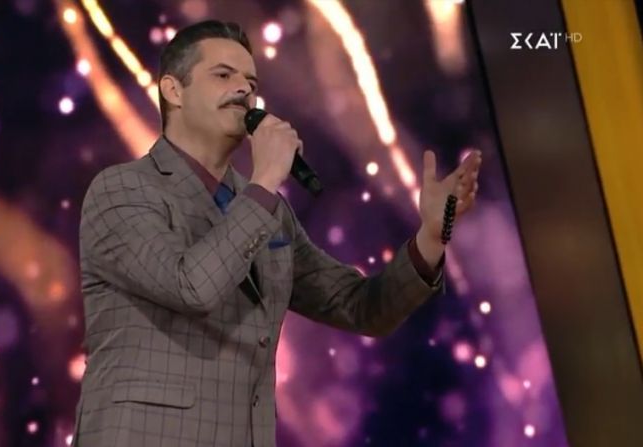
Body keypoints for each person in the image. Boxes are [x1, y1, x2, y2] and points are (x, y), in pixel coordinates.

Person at [73, 20, 481, 447]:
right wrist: (265, 178)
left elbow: (363, 308)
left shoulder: (266, 209)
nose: (243, 90)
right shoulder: (121, 191)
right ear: (173, 91)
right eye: (223, 75)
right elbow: (191, 287)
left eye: (251, 83)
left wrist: (431, 236)